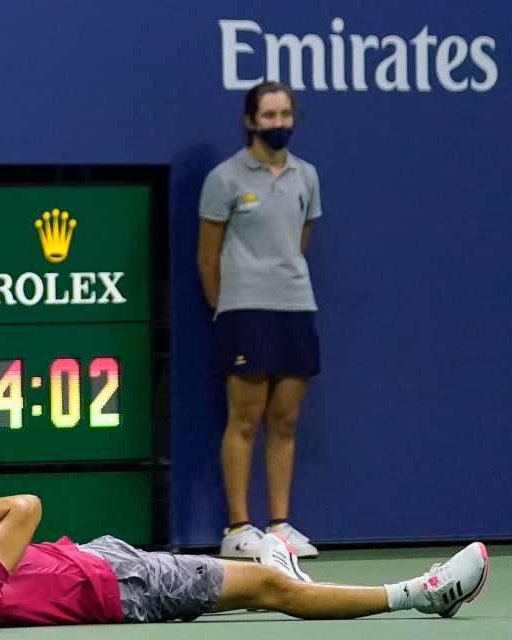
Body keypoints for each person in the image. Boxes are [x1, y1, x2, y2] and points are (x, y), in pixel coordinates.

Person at [0, 487, 489, 630]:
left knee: (249, 582)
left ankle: (281, 572)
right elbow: (26, 507)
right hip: (120, 588)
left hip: (101, 563)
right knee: (266, 590)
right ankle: (421, 593)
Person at [197, 80, 324, 559]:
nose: (278, 124)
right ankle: (237, 529)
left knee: (285, 420)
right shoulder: (224, 178)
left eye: (285, 115)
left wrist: (279, 279)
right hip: (243, 312)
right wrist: (227, 309)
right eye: (268, 116)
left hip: (295, 306)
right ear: (251, 121)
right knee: (244, 419)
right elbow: (207, 258)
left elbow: (299, 240)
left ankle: (279, 527)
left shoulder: (306, 176)